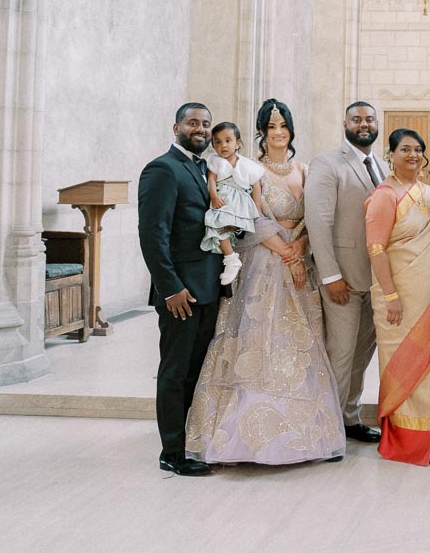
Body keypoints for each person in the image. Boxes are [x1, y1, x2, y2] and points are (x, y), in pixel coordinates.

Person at [185, 99, 346, 465]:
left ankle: (308, 436)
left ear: (291, 130)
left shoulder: (305, 170)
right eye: (271, 127)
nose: (277, 133)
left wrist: (301, 248)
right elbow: (246, 218)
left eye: (283, 127)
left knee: (300, 342)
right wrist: (287, 253)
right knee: (262, 342)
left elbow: (313, 220)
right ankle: (248, 438)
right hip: (264, 263)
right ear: (260, 132)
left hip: (299, 264)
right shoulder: (247, 170)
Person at [364, 127, 430, 465]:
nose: (413, 155)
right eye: (405, 149)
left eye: (418, 150)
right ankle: (406, 438)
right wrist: (392, 295)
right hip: (399, 298)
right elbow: (376, 249)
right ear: (391, 155)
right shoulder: (384, 196)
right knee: (405, 365)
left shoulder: (428, 193)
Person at [138, 102, 224, 476]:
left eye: (206, 124)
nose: (201, 129)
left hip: (208, 288)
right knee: (174, 371)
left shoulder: (204, 168)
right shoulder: (162, 169)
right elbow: (152, 235)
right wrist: (170, 287)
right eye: (193, 123)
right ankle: (171, 452)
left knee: (194, 371)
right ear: (176, 127)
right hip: (181, 294)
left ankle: (190, 440)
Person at [305, 101, 384, 447]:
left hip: (375, 280)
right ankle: (328, 430)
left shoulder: (380, 165)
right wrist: (330, 276)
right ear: (345, 123)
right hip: (343, 280)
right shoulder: (327, 163)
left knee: (362, 355)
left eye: (369, 119)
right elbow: (319, 222)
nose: (364, 124)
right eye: (357, 119)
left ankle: (350, 418)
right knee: (340, 355)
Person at [201, 122, 264, 286]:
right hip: (224, 200)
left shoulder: (247, 164)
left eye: (228, 140)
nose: (223, 145)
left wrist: (256, 208)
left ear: (238, 143)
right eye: (218, 142)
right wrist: (214, 196)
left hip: (240, 202)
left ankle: (232, 257)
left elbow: (256, 185)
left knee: (232, 231)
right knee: (217, 226)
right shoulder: (214, 161)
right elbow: (211, 180)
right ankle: (230, 258)